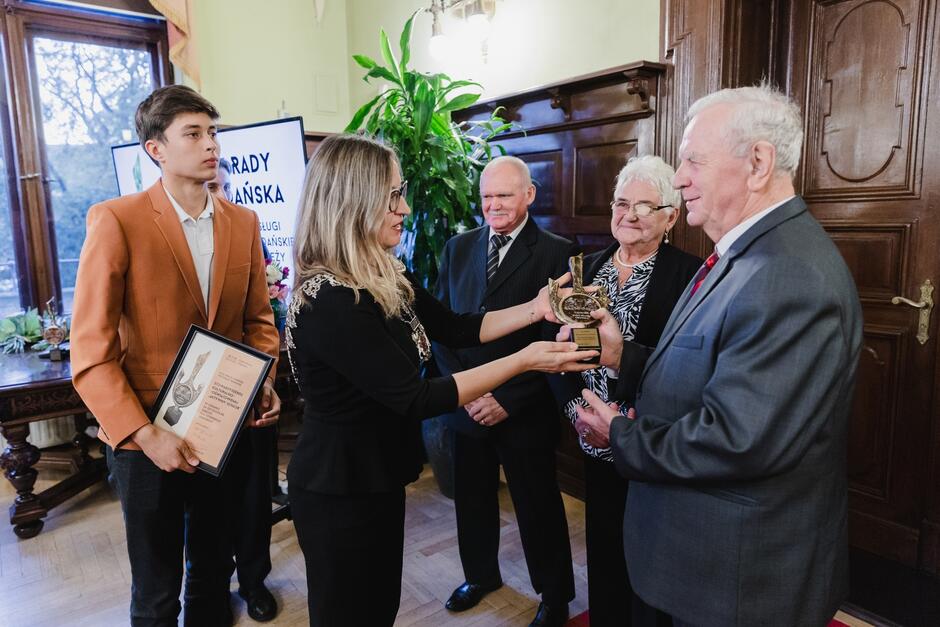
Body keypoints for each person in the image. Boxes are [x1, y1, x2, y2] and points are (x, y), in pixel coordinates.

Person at [569, 85, 863, 626]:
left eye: (692, 161)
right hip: (704, 563)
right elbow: (701, 366)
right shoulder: (745, 254)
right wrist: (619, 357)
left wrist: (620, 435)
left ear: (757, 163)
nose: (679, 180)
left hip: (739, 580)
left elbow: (738, 439)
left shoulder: (787, 274)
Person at [285, 134, 595, 627]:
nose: (405, 207)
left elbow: (458, 326)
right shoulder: (331, 298)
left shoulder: (383, 272)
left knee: (380, 608)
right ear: (354, 198)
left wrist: (536, 308)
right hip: (339, 485)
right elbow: (414, 397)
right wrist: (526, 360)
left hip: (378, 473)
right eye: (393, 195)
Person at [70, 85, 281, 627]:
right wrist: (145, 435)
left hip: (222, 429)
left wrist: (264, 381)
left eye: (213, 132)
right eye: (193, 133)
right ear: (155, 149)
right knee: (157, 592)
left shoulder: (243, 222)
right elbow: (90, 353)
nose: (211, 144)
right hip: (145, 436)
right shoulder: (117, 220)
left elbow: (259, 323)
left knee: (212, 575)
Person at [550, 155, 701, 627]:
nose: (628, 214)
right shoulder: (583, 269)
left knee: (653, 554)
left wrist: (626, 418)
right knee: (605, 545)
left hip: (650, 437)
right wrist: (577, 410)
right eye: (620, 203)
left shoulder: (691, 276)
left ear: (671, 217)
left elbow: (690, 364)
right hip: (592, 436)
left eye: (643, 205)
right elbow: (559, 354)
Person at [433, 155, 577, 627]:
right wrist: (467, 394)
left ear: (529, 195)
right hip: (466, 405)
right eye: (486, 196)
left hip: (523, 407)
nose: (492, 205)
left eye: (504, 195)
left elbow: (563, 342)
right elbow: (441, 330)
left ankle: (554, 595)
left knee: (538, 506)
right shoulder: (458, 247)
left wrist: (505, 398)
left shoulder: (559, 253)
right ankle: (481, 575)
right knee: (471, 499)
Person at [208, 156, 279, 622]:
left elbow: (263, 316)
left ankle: (254, 581)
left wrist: (266, 379)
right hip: (197, 396)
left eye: (220, 184)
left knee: (255, 496)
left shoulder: (246, 231)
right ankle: (211, 583)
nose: (215, 193)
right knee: (208, 503)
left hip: (248, 387)